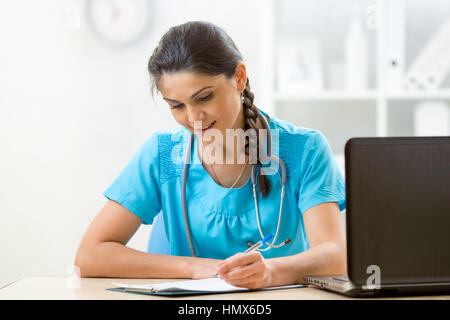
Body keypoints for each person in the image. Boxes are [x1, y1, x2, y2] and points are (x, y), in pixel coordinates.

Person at [75, 21, 347, 290]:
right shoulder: (164, 154)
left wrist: (271, 271)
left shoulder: (304, 149)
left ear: (239, 77)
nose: (193, 118)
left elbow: (335, 258)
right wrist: (194, 268)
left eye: (204, 97)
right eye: (177, 106)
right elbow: (90, 256)